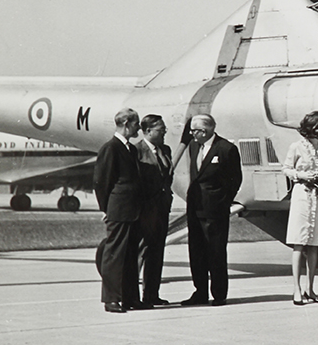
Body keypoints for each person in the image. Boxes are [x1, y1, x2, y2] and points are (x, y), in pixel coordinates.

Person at [181, 114, 242, 307]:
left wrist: (223, 202)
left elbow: (235, 180)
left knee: (215, 252)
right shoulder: (193, 146)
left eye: (194, 131)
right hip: (195, 208)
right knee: (196, 252)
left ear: (205, 131)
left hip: (215, 211)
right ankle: (200, 291)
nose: (191, 134)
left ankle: (218, 293)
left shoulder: (226, 149)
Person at [93, 108, 143, 313]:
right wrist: (105, 208)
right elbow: (101, 181)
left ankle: (131, 297)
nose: (138, 127)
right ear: (126, 124)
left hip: (132, 210)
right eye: (136, 123)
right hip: (119, 209)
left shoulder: (130, 149)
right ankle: (111, 299)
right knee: (114, 255)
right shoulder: (111, 148)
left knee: (132, 255)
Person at [282, 111, 318, 306]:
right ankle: (296, 289)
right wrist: (302, 176)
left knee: (315, 243)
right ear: (315, 129)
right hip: (302, 195)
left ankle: (310, 288)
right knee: (299, 242)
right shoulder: (296, 147)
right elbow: (286, 168)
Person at [134, 114, 173, 306]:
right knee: (141, 252)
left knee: (157, 253)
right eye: (161, 129)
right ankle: (133, 296)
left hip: (162, 209)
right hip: (145, 211)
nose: (165, 131)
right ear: (148, 131)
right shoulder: (136, 151)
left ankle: (151, 294)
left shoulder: (165, 150)